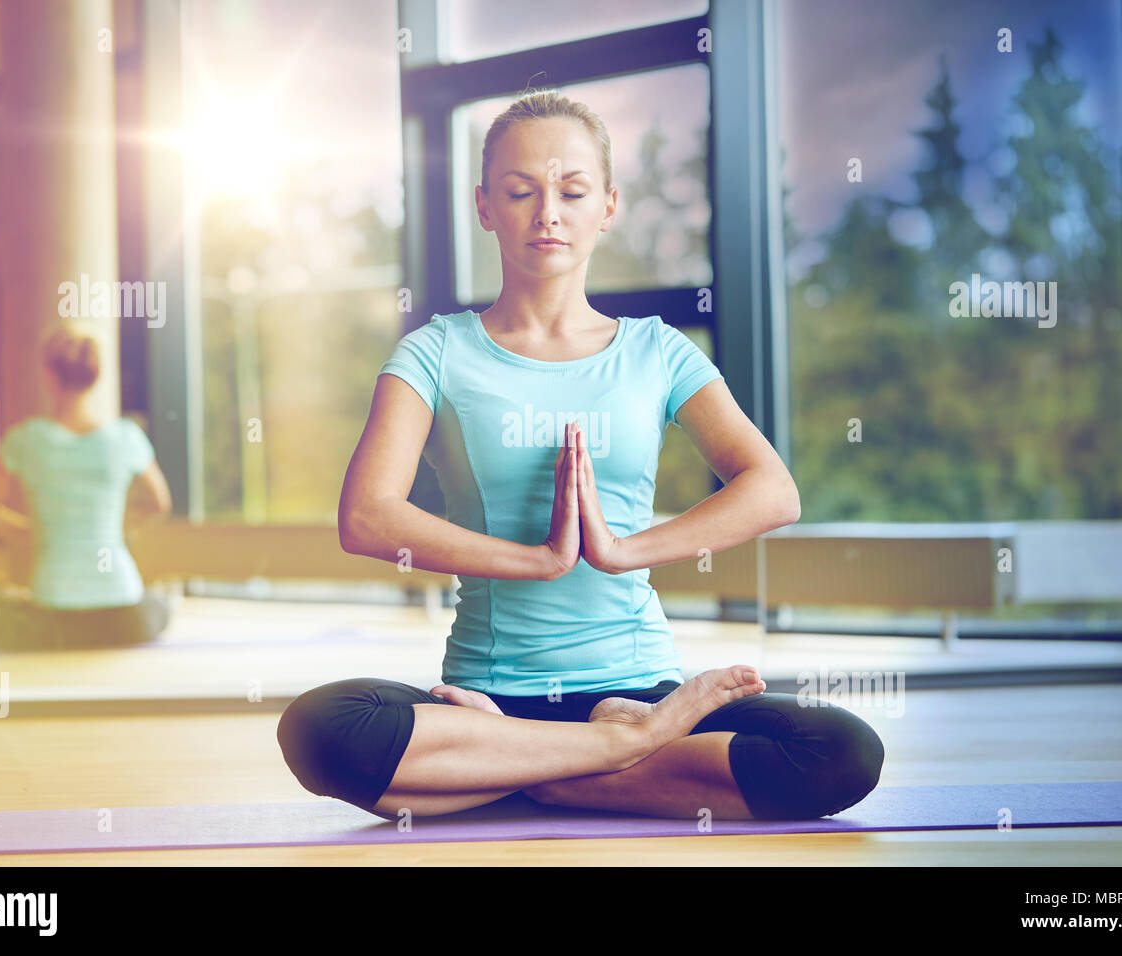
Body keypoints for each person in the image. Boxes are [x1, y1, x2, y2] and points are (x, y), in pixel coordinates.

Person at [277, 91, 885, 821]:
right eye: (520, 191)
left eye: (571, 191)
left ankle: (523, 766)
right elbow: (368, 517)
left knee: (840, 749)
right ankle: (622, 752)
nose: (547, 213)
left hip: (633, 689)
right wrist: (536, 559)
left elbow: (772, 490)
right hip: (486, 695)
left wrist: (624, 550)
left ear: (607, 205)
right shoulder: (434, 353)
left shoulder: (658, 351)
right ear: (484, 206)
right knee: (319, 730)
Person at [0, 320, 174, 655]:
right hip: (123, 615)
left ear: (48, 376)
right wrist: (114, 525)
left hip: (52, 616)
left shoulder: (25, 440)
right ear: (98, 375)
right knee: (160, 605)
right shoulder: (127, 438)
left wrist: (26, 530)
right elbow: (160, 504)